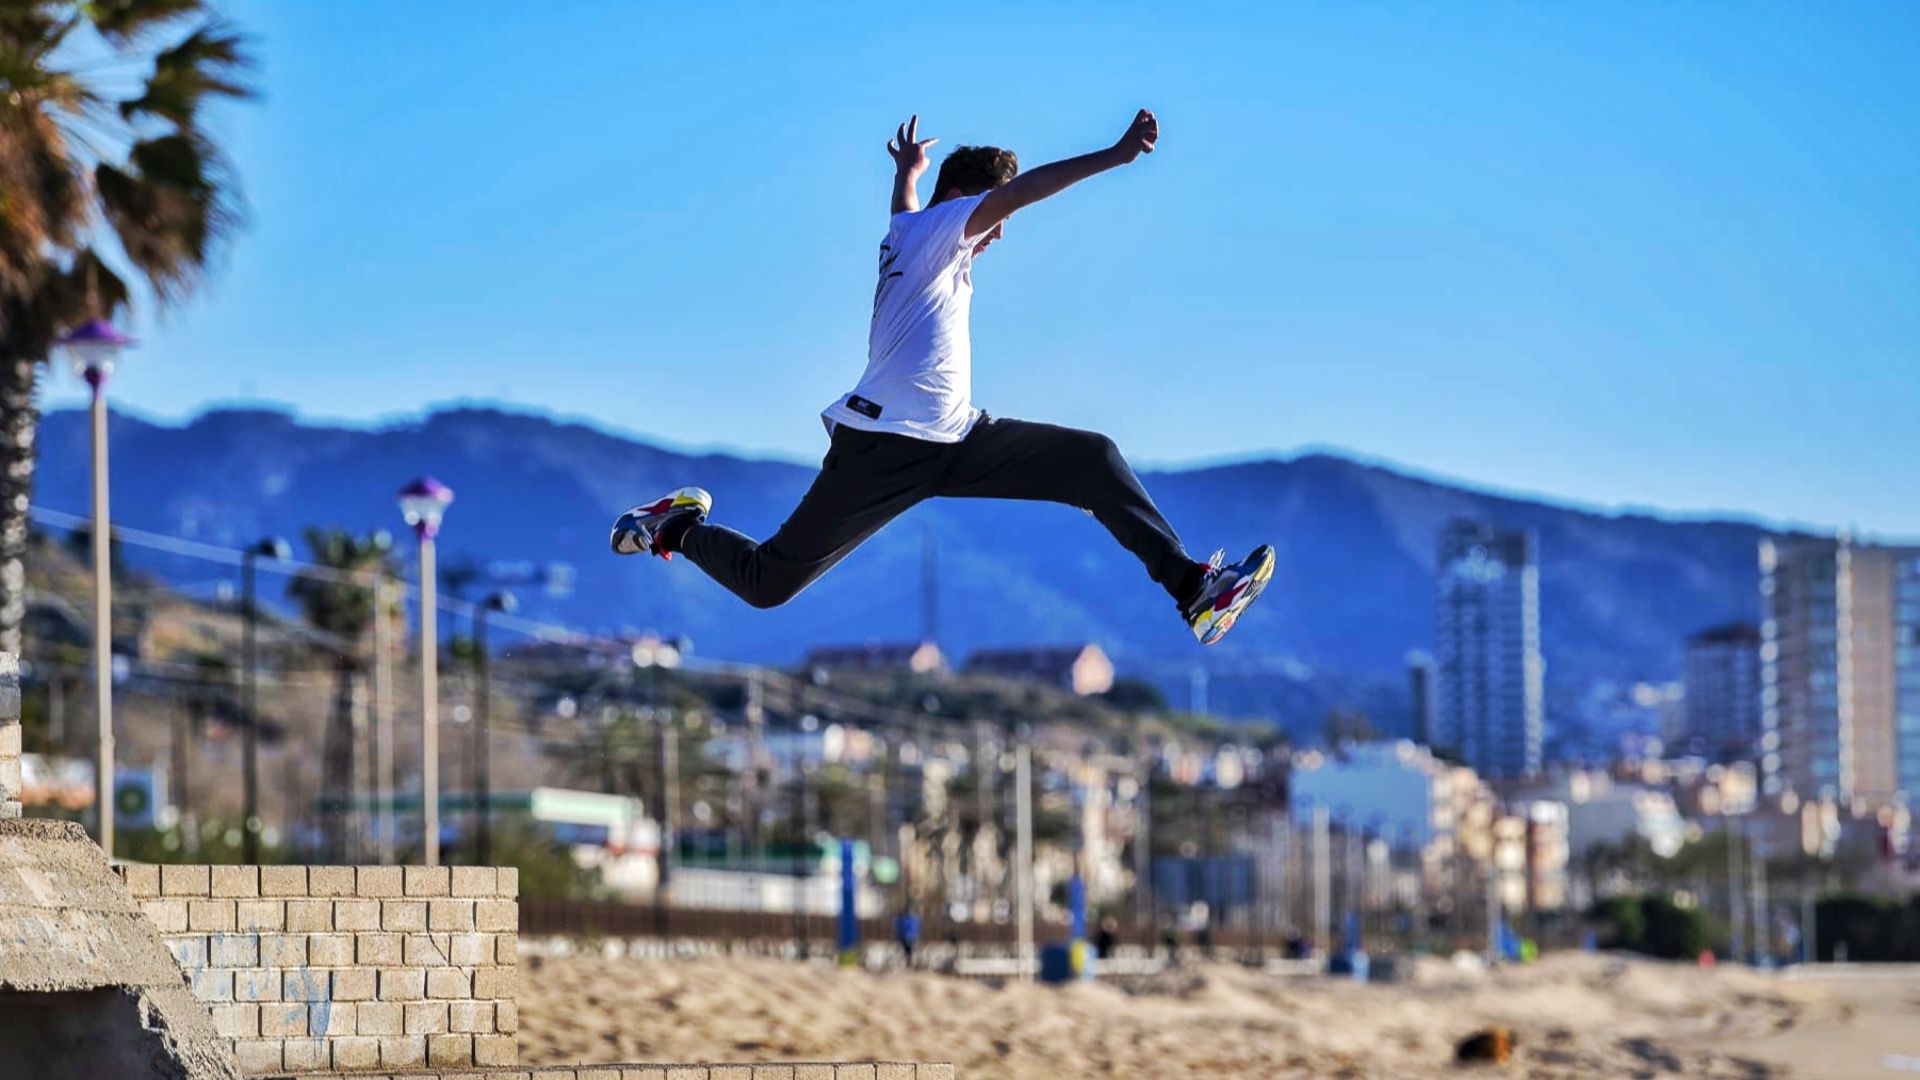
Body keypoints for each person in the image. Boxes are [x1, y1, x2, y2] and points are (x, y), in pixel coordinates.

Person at [611, 110, 1274, 644]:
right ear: (963, 201)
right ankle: (674, 526)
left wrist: (906, 172)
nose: (1000, 233)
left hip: (957, 439)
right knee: (768, 584)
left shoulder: (915, 230)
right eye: (995, 218)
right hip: (887, 447)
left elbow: (905, 207)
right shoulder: (940, 229)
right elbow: (1014, 191)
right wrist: (1115, 155)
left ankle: (1194, 591)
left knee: (1092, 458)